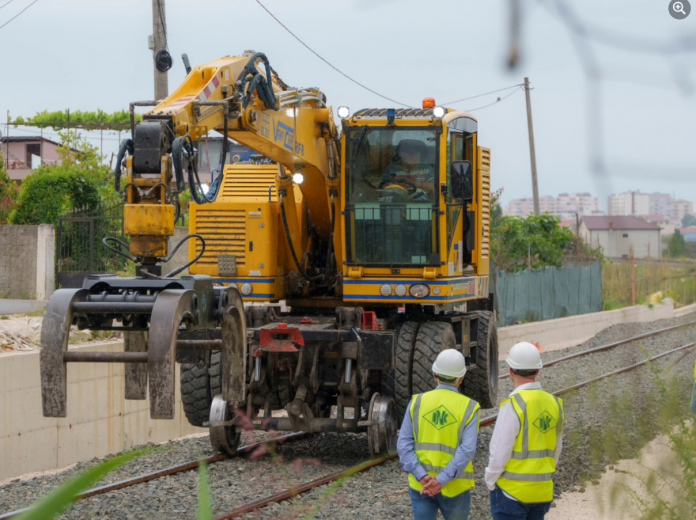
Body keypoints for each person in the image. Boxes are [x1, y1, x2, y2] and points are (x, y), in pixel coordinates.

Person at [397, 349, 480, 520]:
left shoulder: (417, 402)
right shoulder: (470, 408)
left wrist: (422, 476)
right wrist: (441, 480)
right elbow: (467, 450)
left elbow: (403, 445)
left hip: (421, 485)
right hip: (456, 487)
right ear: (461, 378)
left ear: (434, 374)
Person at [485, 342, 565, 520]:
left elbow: (499, 451)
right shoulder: (555, 404)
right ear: (538, 371)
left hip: (512, 493)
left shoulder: (513, 405)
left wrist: (490, 481)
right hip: (542, 492)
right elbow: (556, 450)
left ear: (511, 371)